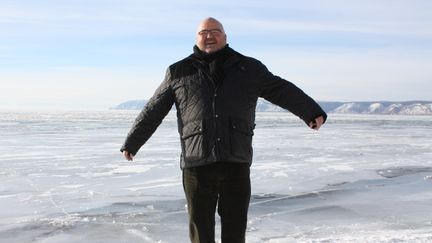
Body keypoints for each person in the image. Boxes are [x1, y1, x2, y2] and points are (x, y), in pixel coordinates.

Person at [121, 17, 326, 243]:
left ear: (225, 36)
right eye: (204, 32)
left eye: (215, 31)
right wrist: (133, 142)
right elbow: (154, 108)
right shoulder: (178, 71)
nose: (209, 35)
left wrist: (310, 111)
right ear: (196, 37)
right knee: (200, 230)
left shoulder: (249, 68)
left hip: (235, 159)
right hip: (196, 162)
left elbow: (281, 89)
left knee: (235, 229)